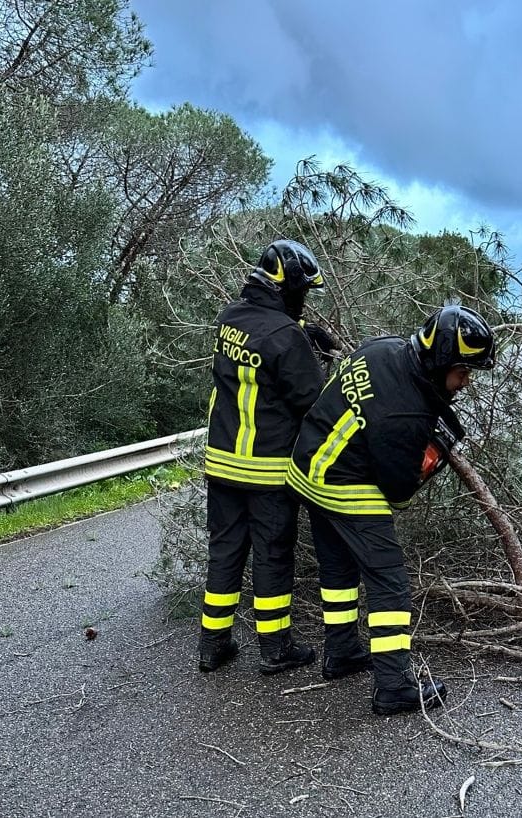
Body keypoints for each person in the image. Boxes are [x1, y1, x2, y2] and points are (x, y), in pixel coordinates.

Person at [287, 305, 496, 714]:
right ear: (440, 363)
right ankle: (394, 685)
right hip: (341, 482)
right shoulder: (406, 415)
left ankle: (342, 651)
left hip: (306, 465)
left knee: (339, 570)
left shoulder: (383, 348)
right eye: (464, 371)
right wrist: (430, 457)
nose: (467, 382)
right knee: (390, 584)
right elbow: (399, 494)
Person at [198, 239, 337, 674]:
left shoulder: (230, 319)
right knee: (272, 557)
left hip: (222, 463)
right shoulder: (285, 336)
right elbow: (311, 401)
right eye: (303, 291)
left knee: (225, 553)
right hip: (267, 470)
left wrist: (302, 336)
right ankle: (275, 648)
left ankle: (212, 645)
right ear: (286, 287)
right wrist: (319, 358)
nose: (305, 298)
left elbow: (260, 355)